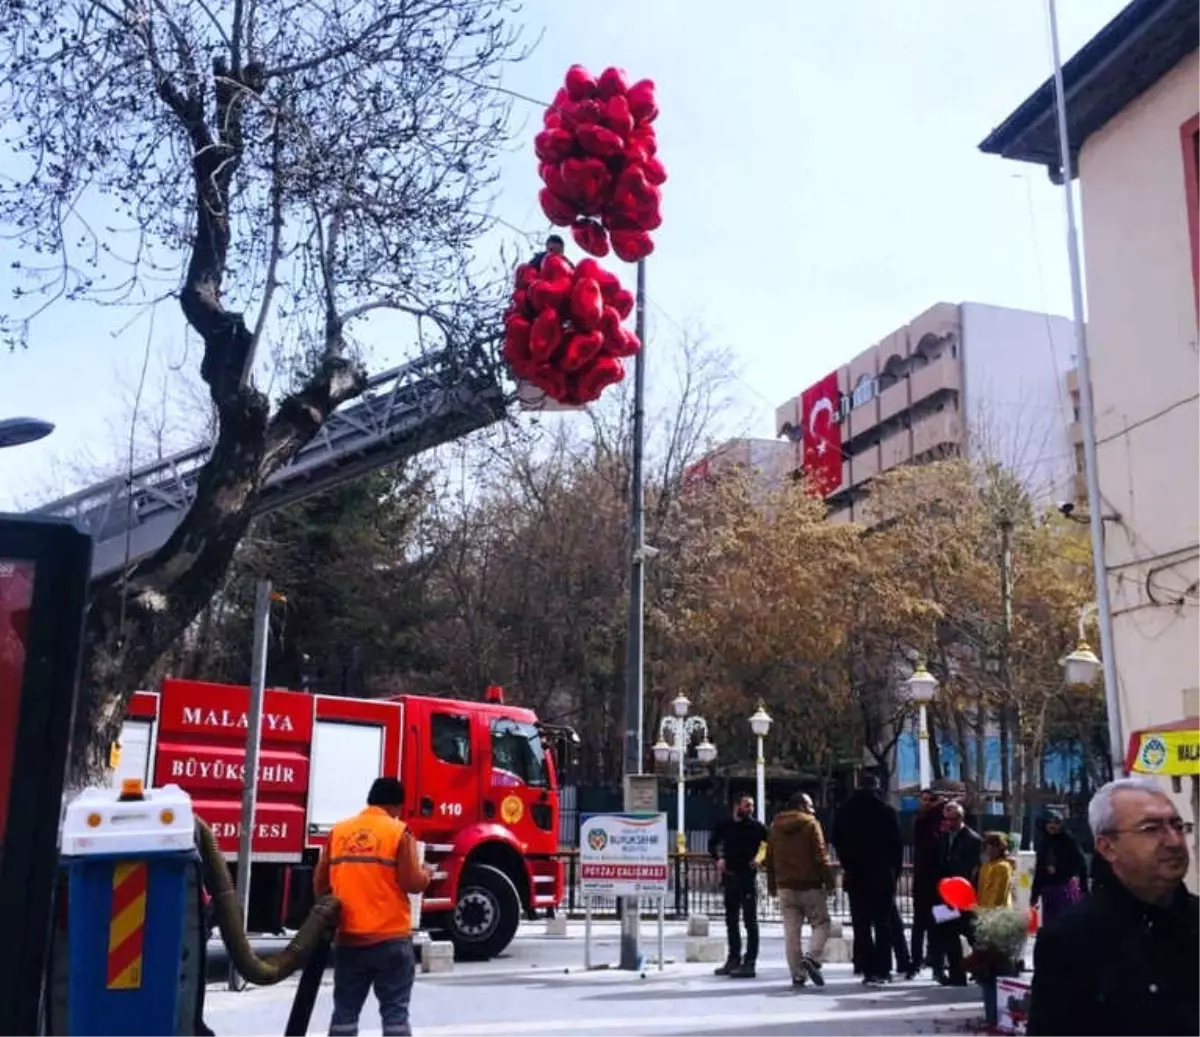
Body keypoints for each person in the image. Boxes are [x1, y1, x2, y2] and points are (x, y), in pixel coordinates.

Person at [1027, 777, 1200, 1036]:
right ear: (1107, 847)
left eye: (1177, 825)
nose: (1174, 841)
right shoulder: (1072, 938)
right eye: (1151, 829)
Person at [314, 777, 433, 1037]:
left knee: (344, 1014)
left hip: (350, 940)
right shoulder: (399, 832)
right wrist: (426, 873)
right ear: (397, 806)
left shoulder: (339, 832)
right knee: (395, 1017)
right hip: (391, 940)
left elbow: (320, 884)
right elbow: (412, 882)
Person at [831, 773, 903, 986]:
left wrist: (848, 864)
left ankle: (868, 968)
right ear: (876, 787)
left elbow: (837, 841)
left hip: (856, 875)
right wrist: (894, 872)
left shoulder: (844, 811)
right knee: (883, 924)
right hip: (881, 875)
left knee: (861, 924)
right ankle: (883, 968)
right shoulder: (886, 810)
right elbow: (897, 846)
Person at [765, 792, 835, 988]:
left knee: (791, 932)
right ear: (803, 805)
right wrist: (829, 883)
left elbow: (769, 858)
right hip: (810, 885)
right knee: (822, 923)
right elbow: (821, 856)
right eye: (810, 805)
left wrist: (772, 886)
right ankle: (812, 958)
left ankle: (797, 974)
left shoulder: (775, 826)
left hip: (785, 886)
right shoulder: (811, 824)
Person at [709, 793, 768, 978]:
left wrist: (759, 859)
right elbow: (712, 844)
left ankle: (749, 961)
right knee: (731, 921)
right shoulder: (725, 826)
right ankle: (733, 958)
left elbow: (768, 846)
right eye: (746, 805)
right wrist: (718, 859)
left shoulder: (757, 827)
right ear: (737, 806)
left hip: (748, 878)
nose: (750, 809)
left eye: (751, 806)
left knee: (750, 921)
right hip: (730, 878)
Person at [934, 800, 981, 986]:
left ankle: (980, 968)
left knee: (971, 933)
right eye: (947, 819)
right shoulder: (943, 838)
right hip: (944, 895)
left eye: (953, 819)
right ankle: (956, 974)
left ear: (961, 818)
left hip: (963, 895)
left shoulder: (972, 839)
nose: (949, 823)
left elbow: (971, 869)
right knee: (948, 934)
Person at [1030, 808, 1087, 926]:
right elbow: (1039, 870)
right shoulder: (1044, 843)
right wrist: (1034, 895)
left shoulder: (1068, 840)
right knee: (1050, 924)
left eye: (1056, 823)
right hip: (1048, 890)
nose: (1052, 826)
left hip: (1065, 887)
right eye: (1049, 822)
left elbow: (1081, 864)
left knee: (1065, 923)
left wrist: (1083, 888)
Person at [910, 788, 945, 974]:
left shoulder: (938, 822)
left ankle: (936, 962)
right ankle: (915, 962)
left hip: (937, 883)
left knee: (936, 926)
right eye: (922, 799)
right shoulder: (921, 820)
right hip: (922, 882)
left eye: (927, 800)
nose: (924, 803)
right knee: (919, 926)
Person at [977, 832, 1015, 909]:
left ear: (1001, 848)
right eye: (988, 845)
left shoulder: (1002, 866)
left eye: (994, 846)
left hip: (996, 914)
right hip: (984, 911)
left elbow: (999, 895)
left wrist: (990, 913)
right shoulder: (986, 866)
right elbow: (981, 891)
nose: (990, 849)